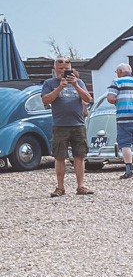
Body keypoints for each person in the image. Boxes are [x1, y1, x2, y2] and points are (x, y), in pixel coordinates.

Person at [40, 57, 93, 197]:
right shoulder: (49, 83)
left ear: (71, 69)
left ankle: (81, 186)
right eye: (60, 68)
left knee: (79, 156)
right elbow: (45, 100)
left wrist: (75, 85)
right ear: (55, 69)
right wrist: (60, 87)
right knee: (59, 156)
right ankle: (60, 187)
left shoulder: (79, 82)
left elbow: (88, 99)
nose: (63, 71)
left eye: (66, 69)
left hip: (78, 124)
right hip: (60, 125)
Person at [107, 63, 133, 179]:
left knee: (125, 144)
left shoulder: (117, 82)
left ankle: (129, 170)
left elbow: (110, 98)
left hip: (124, 117)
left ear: (120, 72)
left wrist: (118, 101)